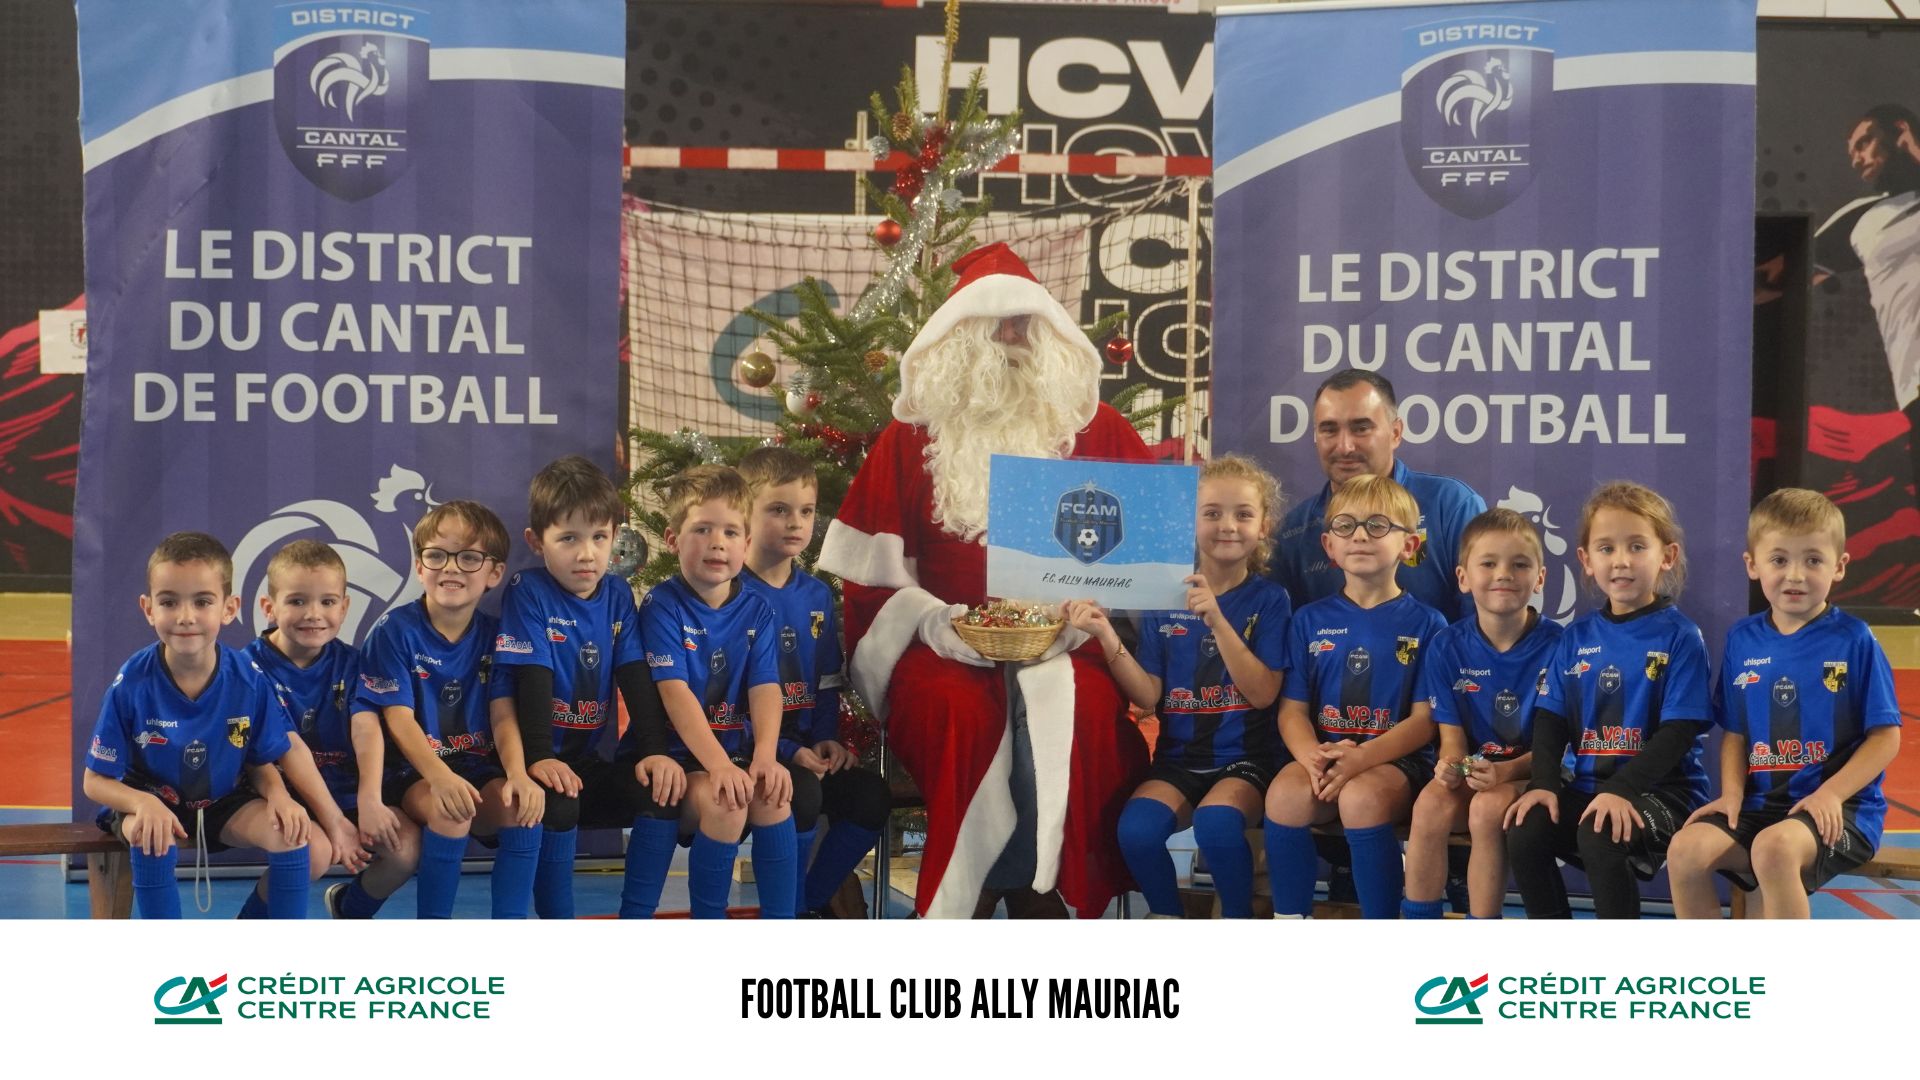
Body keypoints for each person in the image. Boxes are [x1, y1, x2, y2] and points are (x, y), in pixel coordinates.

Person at [818, 241, 1152, 919]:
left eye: (1024, 322)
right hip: (940, 646)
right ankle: (987, 889)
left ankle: (1043, 890)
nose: (1011, 336)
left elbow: (1147, 565)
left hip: (1072, 639)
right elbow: (870, 586)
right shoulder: (910, 439)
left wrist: (1089, 621)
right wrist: (933, 622)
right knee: (959, 714)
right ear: (960, 334)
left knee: (1084, 712)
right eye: (995, 323)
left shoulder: (1099, 431)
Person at [1070, 455, 1292, 919]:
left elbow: (1263, 694)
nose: (1227, 525)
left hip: (1248, 759)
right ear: (1190, 523)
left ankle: (1237, 921)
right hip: (1179, 759)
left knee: (1216, 824)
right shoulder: (1163, 598)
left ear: (1263, 527)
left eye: (1242, 514)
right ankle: (1167, 919)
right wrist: (1107, 636)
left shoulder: (1270, 600)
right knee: (1136, 832)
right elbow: (1147, 697)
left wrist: (1217, 620)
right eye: (1212, 513)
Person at [1668, 488, 1903, 919]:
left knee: (1773, 849)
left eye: (1813, 560)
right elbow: (1735, 734)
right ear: (1752, 565)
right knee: (1685, 849)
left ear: (1839, 566)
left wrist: (1831, 794)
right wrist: (1732, 795)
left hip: (1842, 811)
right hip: (1760, 808)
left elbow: (1886, 738)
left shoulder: (1854, 639)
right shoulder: (1743, 639)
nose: (1795, 574)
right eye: (1779, 560)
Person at [82, 532, 326, 919]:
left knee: (293, 836)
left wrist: (279, 795)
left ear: (229, 608)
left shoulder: (248, 678)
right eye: (169, 602)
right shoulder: (132, 682)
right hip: (147, 803)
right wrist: (142, 803)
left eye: (202, 601)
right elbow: (94, 781)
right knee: (150, 833)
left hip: (222, 803)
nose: (186, 616)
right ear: (148, 608)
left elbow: (260, 760)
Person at [1502, 482, 1710, 919]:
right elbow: (1550, 719)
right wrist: (1544, 784)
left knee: (1600, 833)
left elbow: (1679, 732)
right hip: (1589, 787)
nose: (1621, 560)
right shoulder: (1576, 637)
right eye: (1606, 548)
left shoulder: (1680, 636)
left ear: (1667, 555)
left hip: (1662, 793)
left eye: (1637, 546)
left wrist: (1621, 790)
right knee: (1526, 828)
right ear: (1586, 560)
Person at [495, 455, 683, 920]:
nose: (586, 554)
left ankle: (635, 921)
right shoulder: (528, 589)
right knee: (559, 805)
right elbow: (531, 680)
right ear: (536, 541)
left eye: (599, 537)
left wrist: (655, 751)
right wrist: (540, 757)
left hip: (583, 762)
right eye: (569, 539)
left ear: (615, 536)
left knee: (659, 793)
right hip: (530, 755)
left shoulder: (617, 594)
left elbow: (635, 676)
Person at [1263, 475, 1446, 919]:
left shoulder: (1428, 624)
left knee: (1360, 799)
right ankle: (1289, 920)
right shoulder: (1307, 621)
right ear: (1329, 545)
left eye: (1377, 525)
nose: (1360, 535)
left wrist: (1361, 759)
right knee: (1284, 795)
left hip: (1395, 761)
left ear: (1409, 545)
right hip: (1324, 756)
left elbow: (1424, 722)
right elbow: (1291, 712)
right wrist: (1311, 758)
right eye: (1346, 526)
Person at [358, 500, 544, 919]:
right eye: (437, 555)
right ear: (419, 566)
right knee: (450, 809)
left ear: (494, 573)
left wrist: (518, 773)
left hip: (477, 766)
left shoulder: (498, 635)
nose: (451, 568)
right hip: (414, 771)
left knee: (522, 808)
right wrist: (440, 776)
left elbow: (502, 713)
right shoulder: (395, 631)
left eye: (469, 558)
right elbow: (398, 718)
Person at [636, 465, 796, 919]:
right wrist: (720, 765)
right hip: (676, 760)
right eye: (702, 529)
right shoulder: (662, 605)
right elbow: (675, 694)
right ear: (673, 540)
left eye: (730, 532)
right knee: (728, 802)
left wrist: (765, 756)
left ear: (746, 544)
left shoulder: (758, 608)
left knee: (773, 794)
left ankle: (783, 924)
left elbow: (766, 686)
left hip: (733, 755)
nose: (717, 543)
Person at [737, 446, 891, 918]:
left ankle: (807, 903)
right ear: (744, 512)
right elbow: (721, 698)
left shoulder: (816, 594)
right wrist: (784, 750)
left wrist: (826, 739)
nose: (795, 523)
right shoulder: (727, 593)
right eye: (778, 510)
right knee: (800, 792)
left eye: (805, 511)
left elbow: (826, 682)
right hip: (743, 749)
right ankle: (788, 915)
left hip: (805, 748)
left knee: (871, 798)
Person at [245, 539, 419, 919]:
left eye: (327, 601)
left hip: (343, 789)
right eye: (297, 601)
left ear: (344, 607)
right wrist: (335, 822)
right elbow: (289, 747)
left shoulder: (354, 662)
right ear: (268, 607)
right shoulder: (248, 669)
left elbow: (366, 729)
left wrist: (370, 800)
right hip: (281, 795)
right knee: (310, 854)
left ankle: (349, 911)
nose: (313, 614)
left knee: (404, 849)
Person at [1402, 509, 1561, 920]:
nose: (1503, 574)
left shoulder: (1563, 646)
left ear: (1540, 578)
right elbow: (1452, 742)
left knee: (1487, 810)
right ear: (1463, 577)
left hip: (1539, 773)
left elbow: (1562, 749)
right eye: (1488, 563)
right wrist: (1450, 767)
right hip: (1480, 771)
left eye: (1520, 564)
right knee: (1430, 804)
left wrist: (1506, 772)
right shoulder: (1446, 646)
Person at [1271, 370, 1486, 620]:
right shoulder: (1293, 531)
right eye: (1329, 430)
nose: (1345, 446)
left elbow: (1485, 625)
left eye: (1361, 428)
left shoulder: (1451, 506)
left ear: (1395, 433)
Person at [1813, 103, 1920, 484]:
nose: (1857, 159)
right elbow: (1774, 277)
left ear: (1900, 131)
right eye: (1852, 152)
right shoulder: (1862, 218)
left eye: (1864, 143)